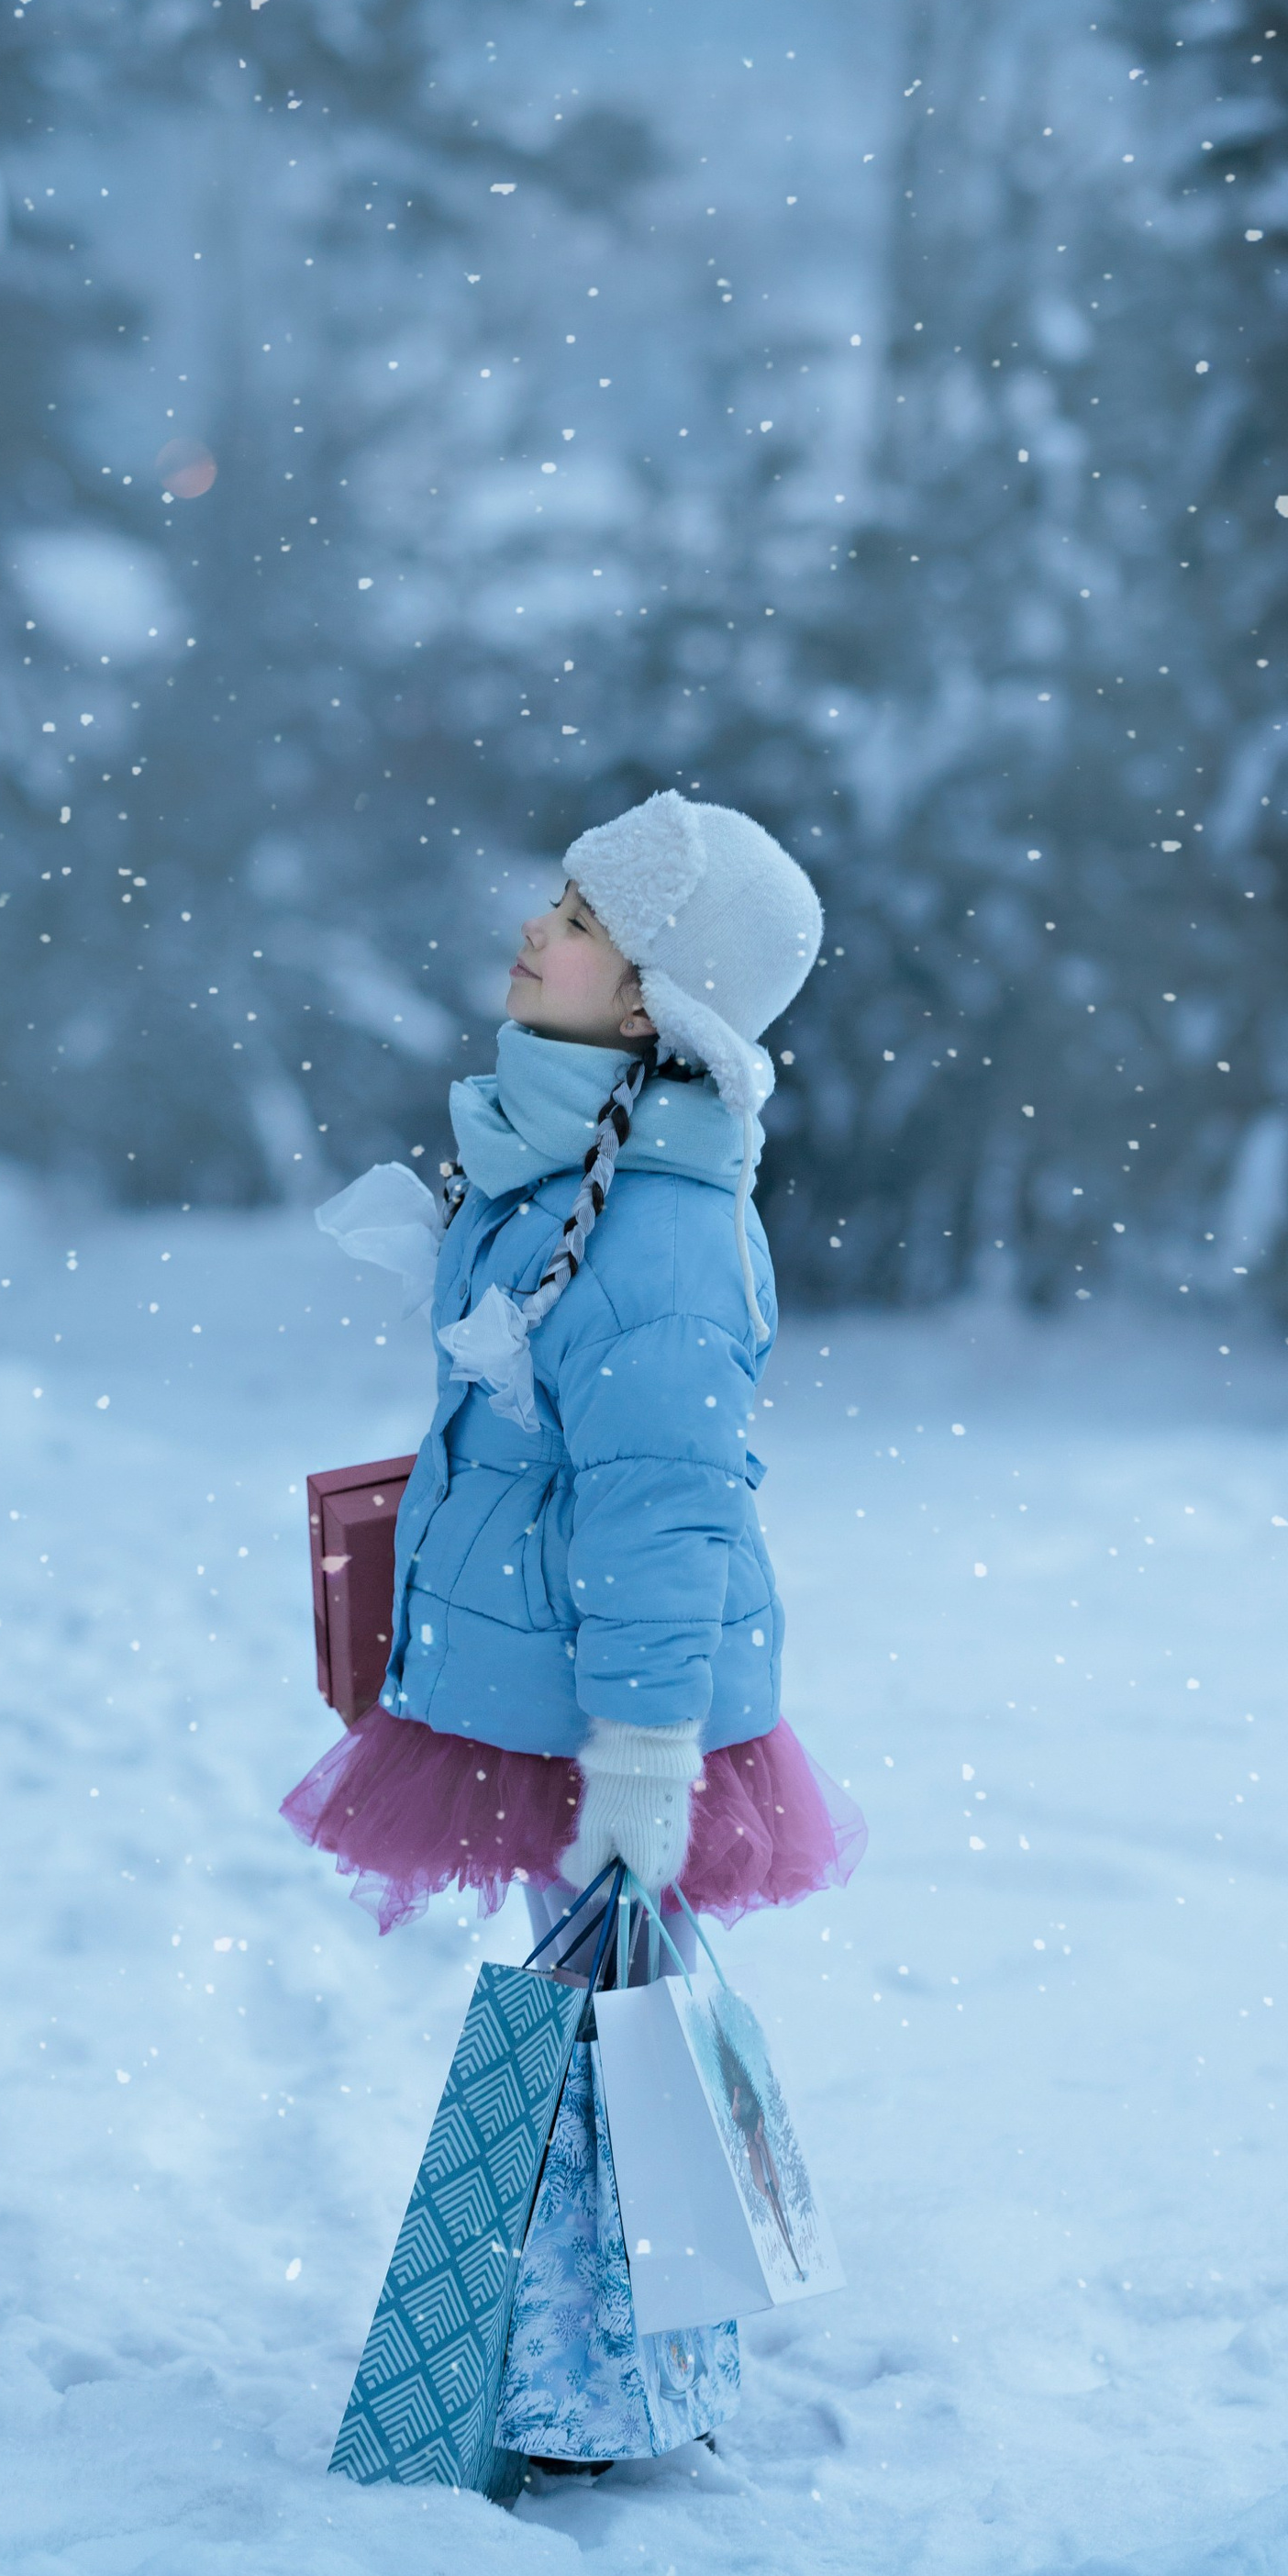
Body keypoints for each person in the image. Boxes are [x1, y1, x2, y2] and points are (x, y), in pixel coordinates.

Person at [284, 786, 864, 2481]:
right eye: (559, 898)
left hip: (617, 1709)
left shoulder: (670, 1228)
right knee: (598, 2028)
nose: (537, 927)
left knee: (609, 2039)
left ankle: (592, 2374)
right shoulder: (563, 1165)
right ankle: (586, 2361)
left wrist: (644, 1754)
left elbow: (667, 1514)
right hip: (547, 1680)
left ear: (649, 1003)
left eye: (585, 918)